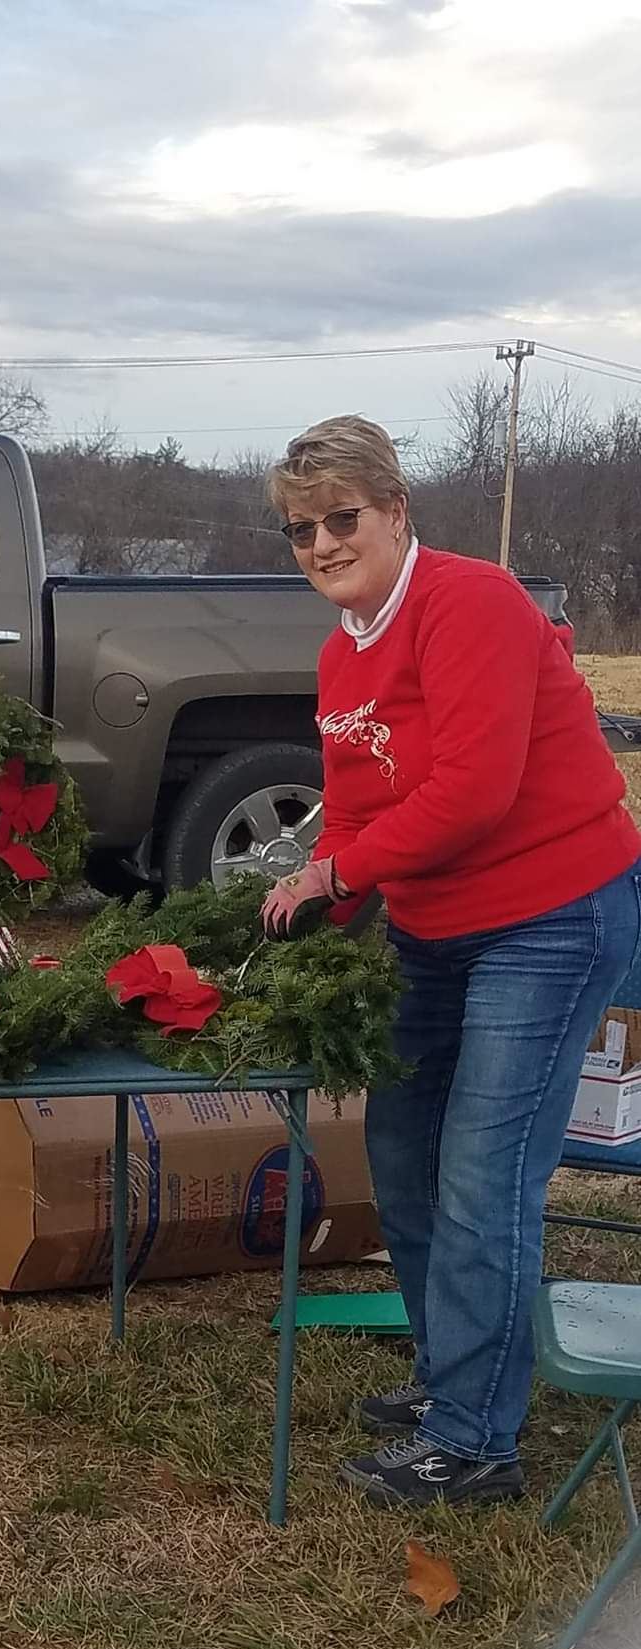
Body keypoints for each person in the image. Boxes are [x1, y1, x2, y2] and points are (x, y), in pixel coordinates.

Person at [263, 415, 641, 1509]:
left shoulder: (468, 601)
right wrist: (313, 905)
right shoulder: (344, 653)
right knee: (404, 1149)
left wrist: (338, 877)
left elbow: (472, 792)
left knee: (486, 1172)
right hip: (436, 926)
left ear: (395, 513)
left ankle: (476, 1444)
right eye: (302, 529)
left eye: (343, 518)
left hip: (551, 913)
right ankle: (452, 1380)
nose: (325, 543)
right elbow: (358, 809)